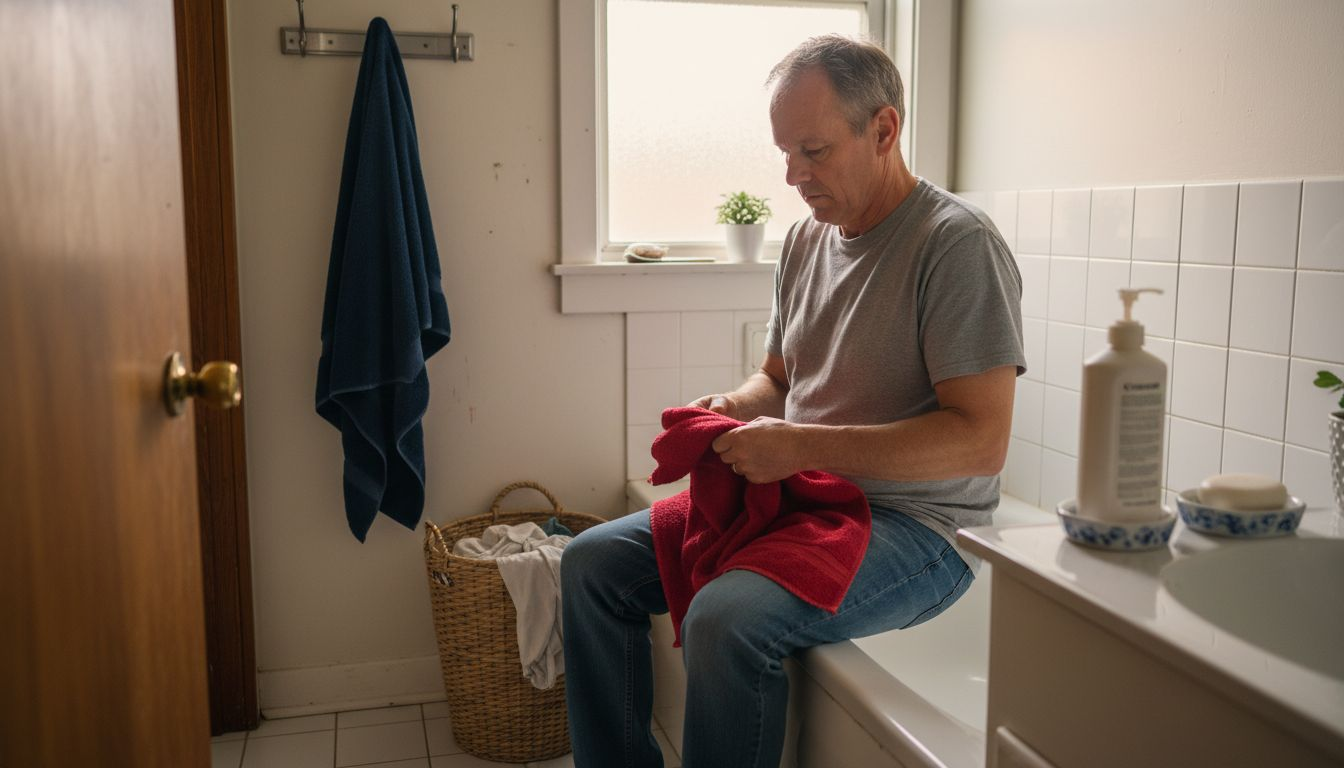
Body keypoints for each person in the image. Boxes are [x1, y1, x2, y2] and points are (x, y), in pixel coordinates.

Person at [561, 34, 1024, 768]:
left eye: (813, 150)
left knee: (727, 619)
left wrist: (799, 445)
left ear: (883, 130)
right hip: (807, 497)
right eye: (784, 153)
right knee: (590, 564)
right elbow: (778, 375)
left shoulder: (955, 245)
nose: (793, 176)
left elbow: (980, 441)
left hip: (923, 528)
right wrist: (739, 405)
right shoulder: (810, 237)